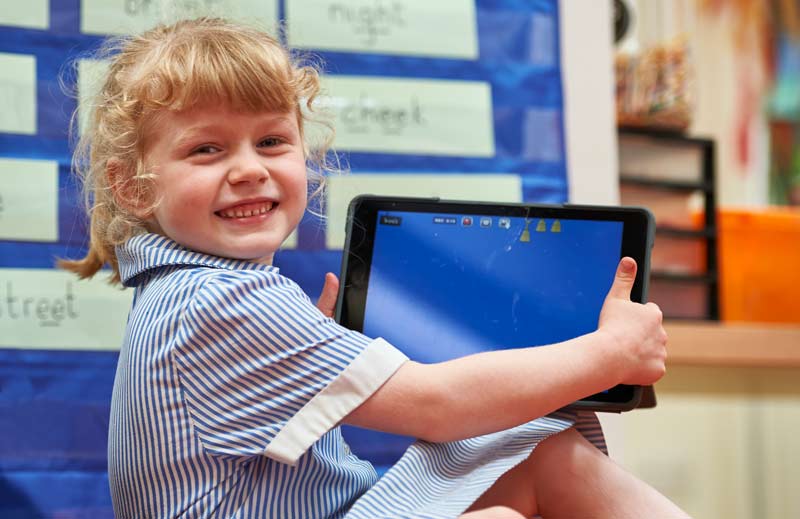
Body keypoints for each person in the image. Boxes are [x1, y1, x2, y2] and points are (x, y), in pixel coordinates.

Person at [61, 17, 688, 519]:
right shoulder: (217, 302)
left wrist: (310, 357)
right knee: (533, 471)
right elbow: (440, 405)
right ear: (133, 187)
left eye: (272, 141)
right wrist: (607, 354)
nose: (249, 168)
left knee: (538, 452)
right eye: (206, 149)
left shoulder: (189, 295)